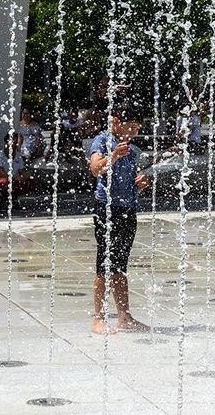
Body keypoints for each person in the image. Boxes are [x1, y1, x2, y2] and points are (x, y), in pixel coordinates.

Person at [89, 103, 152, 335]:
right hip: (107, 209)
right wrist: (113, 156)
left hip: (128, 209)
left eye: (137, 128)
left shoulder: (131, 150)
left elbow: (127, 181)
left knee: (120, 265)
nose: (134, 132)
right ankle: (98, 318)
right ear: (116, 122)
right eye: (132, 127)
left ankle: (124, 316)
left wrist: (141, 184)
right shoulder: (102, 141)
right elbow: (96, 169)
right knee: (104, 264)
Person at [0, 130, 34, 198]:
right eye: (13, 142)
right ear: (7, 142)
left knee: (31, 182)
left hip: (13, 180)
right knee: (6, 182)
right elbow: (0, 173)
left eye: (17, 143)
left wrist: (25, 177)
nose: (15, 145)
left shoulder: (18, 156)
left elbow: (23, 171)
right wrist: (15, 178)